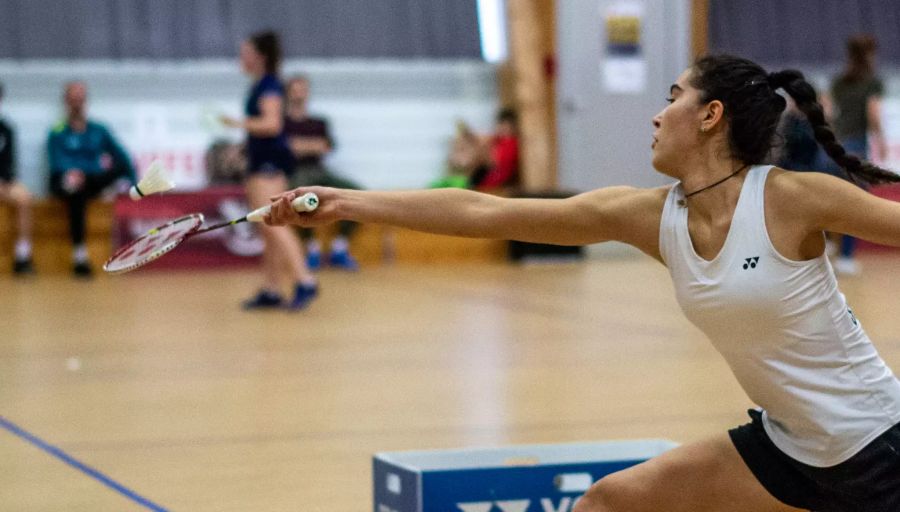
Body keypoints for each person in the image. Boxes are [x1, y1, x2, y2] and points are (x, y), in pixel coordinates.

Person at [266, 55, 900, 511]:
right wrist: (346, 203)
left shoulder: (792, 199)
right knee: (608, 503)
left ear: (710, 115)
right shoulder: (649, 217)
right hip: (788, 451)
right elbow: (487, 211)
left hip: (878, 448)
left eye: (672, 96)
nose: (656, 115)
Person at [220, 31, 317, 310]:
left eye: (246, 53)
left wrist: (238, 124)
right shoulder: (261, 85)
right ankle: (272, 288)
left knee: (273, 224)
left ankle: (305, 280)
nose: (242, 58)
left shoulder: (270, 86)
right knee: (268, 226)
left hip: (269, 166)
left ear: (259, 56)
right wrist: (242, 146)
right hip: (260, 160)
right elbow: (264, 129)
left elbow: (272, 124)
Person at [48, 81, 137, 278]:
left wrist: (133, 182)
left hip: (92, 180)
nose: (77, 103)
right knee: (75, 191)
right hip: (67, 181)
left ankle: (116, 187)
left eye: (80, 98)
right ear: (66, 102)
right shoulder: (57, 131)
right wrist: (70, 173)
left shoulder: (99, 130)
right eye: (73, 99)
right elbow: (56, 161)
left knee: (112, 172)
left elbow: (122, 157)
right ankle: (79, 255)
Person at [824, 34, 887, 276]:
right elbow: (873, 114)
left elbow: (827, 112)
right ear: (870, 54)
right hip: (856, 148)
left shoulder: (839, 81)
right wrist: (880, 140)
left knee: (834, 198)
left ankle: (829, 243)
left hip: (834, 146)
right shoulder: (872, 82)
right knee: (855, 203)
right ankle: (847, 257)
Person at [283, 75, 360, 271]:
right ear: (288, 92)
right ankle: (312, 249)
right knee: (295, 197)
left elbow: (326, 146)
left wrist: (299, 145)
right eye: (295, 88)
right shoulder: (281, 123)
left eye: (303, 88)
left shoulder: (319, 122)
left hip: (320, 171)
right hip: (295, 172)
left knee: (356, 193)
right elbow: (286, 149)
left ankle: (339, 248)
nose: (299, 93)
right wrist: (312, 145)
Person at [0, 82, 35, 274]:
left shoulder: (7, 129)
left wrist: (4, 181)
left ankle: (23, 257)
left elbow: (9, 162)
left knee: (24, 197)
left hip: (4, 182)